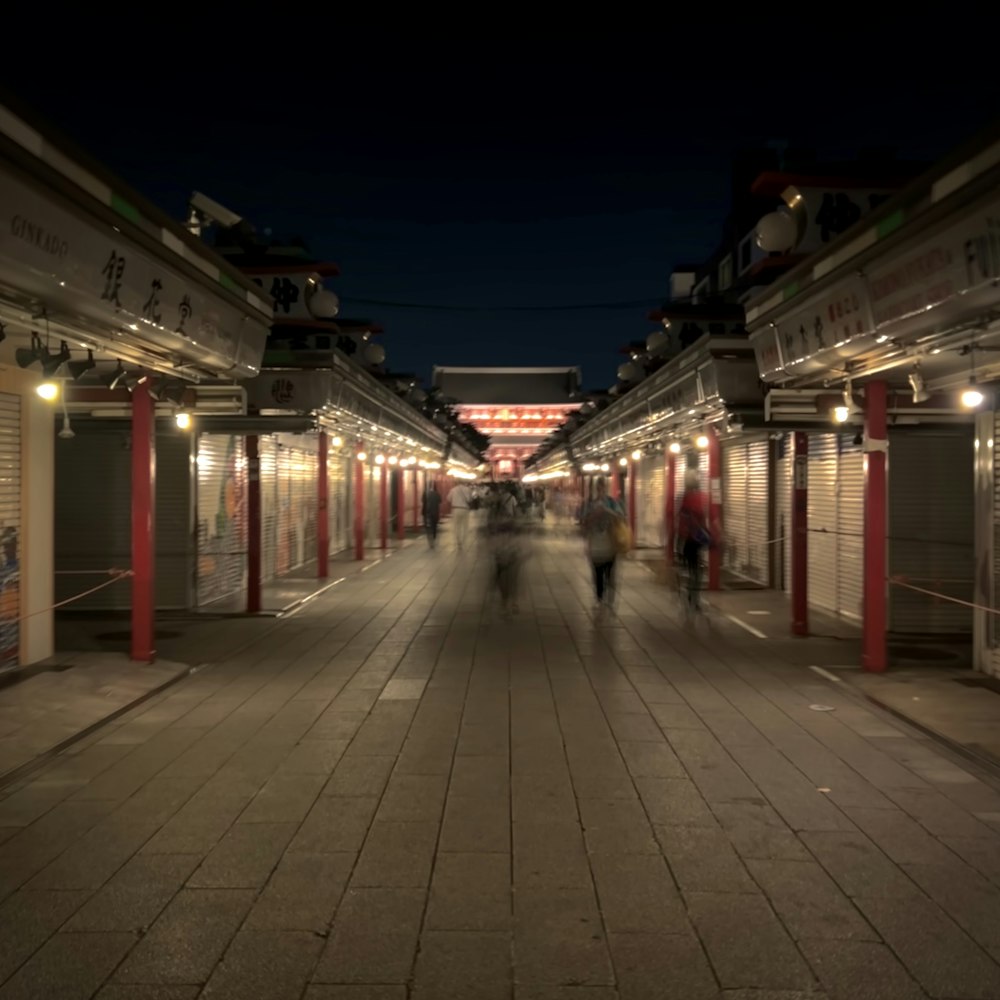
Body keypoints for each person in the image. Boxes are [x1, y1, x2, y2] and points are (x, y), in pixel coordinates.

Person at [580, 477, 625, 613]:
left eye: (603, 486)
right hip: (595, 544)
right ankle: (599, 598)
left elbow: (620, 518)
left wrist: (606, 511)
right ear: (595, 488)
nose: (601, 489)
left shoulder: (612, 502)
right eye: (599, 487)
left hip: (610, 543)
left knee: (610, 574)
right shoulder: (589, 504)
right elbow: (584, 523)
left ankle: (609, 598)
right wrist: (594, 515)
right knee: (598, 574)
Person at [677, 472, 710, 608]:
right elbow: (703, 518)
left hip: (686, 539)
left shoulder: (683, 498)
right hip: (695, 539)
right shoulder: (700, 498)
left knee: (691, 569)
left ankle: (691, 593)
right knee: (696, 570)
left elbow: (679, 519)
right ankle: (694, 596)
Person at [447, 479, 473, 550]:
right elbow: (470, 499)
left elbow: (448, 499)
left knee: (457, 526)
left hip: (456, 509)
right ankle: (464, 541)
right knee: (465, 526)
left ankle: (458, 542)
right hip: (465, 509)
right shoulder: (468, 489)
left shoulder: (453, 490)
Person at [422, 484, 442, 548]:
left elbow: (422, 501)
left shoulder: (425, 493)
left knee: (428, 527)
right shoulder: (437, 494)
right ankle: (433, 537)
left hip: (427, 513)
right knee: (434, 526)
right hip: (435, 512)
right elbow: (440, 501)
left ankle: (430, 541)